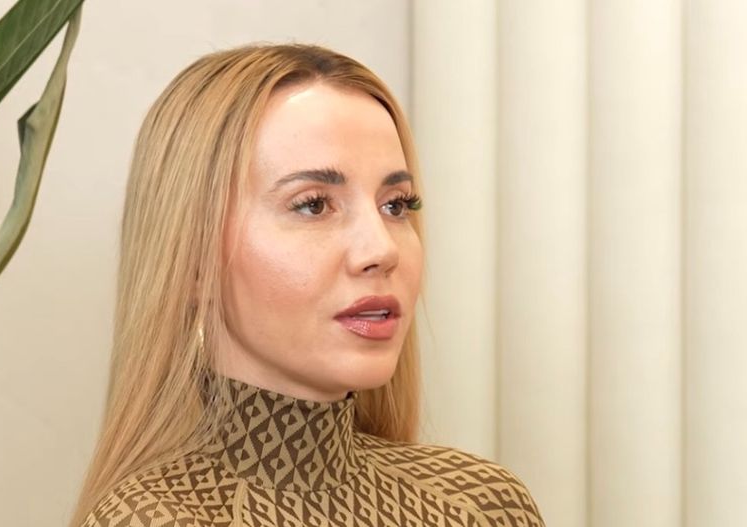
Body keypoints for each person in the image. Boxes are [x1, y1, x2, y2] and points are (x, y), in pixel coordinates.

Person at [71, 43, 545, 527]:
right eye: (314, 204)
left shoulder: (485, 504)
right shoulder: (150, 520)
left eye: (396, 205)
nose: (382, 249)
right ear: (193, 259)